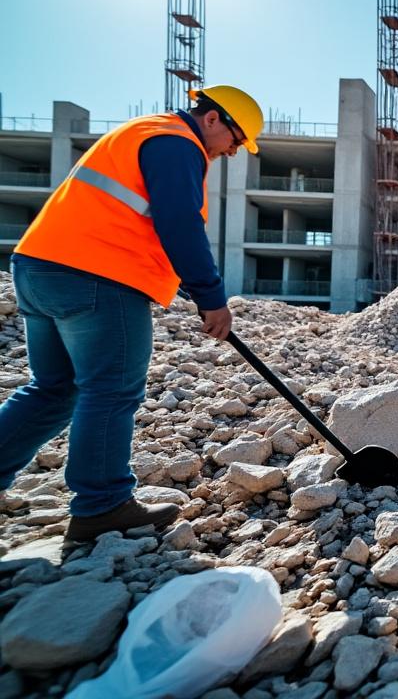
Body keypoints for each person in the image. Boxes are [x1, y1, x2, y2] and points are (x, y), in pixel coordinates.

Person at [0, 85, 264, 544]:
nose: (233, 151)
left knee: (53, 390)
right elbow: (178, 221)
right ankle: (102, 505)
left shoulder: (143, 133)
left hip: (40, 266)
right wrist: (211, 296)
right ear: (214, 119)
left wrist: (179, 279)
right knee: (111, 389)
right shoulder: (178, 144)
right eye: (236, 140)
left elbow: (136, 217)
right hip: (96, 277)